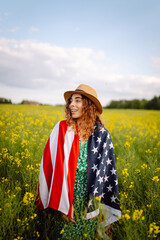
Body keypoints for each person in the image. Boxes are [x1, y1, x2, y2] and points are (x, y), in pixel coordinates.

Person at [36, 84, 121, 239]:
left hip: (90, 195)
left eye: (77, 101)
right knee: (66, 233)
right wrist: (64, 204)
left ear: (88, 105)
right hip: (66, 192)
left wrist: (95, 205)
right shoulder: (62, 128)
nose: (71, 105)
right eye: (70, 101)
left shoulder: (102, 135)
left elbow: (106, 173)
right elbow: (53, 167)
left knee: (86, 234)